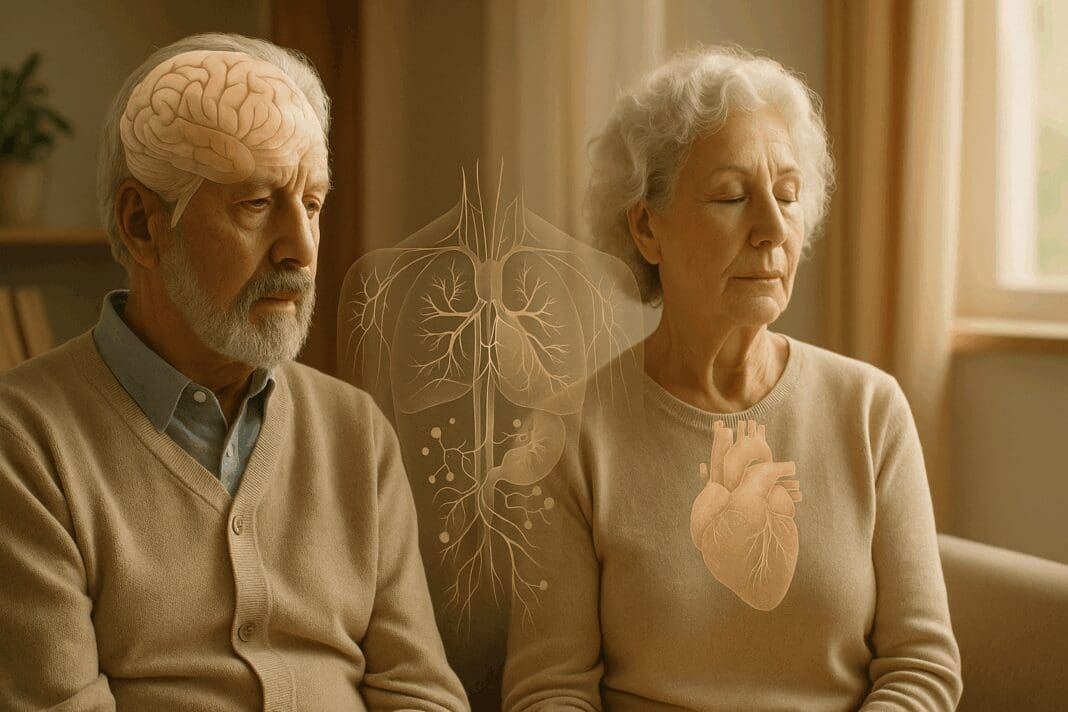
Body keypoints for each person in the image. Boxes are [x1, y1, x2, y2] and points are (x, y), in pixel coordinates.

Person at [0, 33, 467, 711]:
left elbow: (419, 693)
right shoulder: (25, 442)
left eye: (312, 203)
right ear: (142, 224)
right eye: (255, 204)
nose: (302, 249)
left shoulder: (355, 432)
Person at [502, 46, 963, 710]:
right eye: (731, 195)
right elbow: (549, 690)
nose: (774, 229)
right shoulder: (568, 434)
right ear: (646, 227)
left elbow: (921, 667)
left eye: (788, 195)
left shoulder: (869, 410)